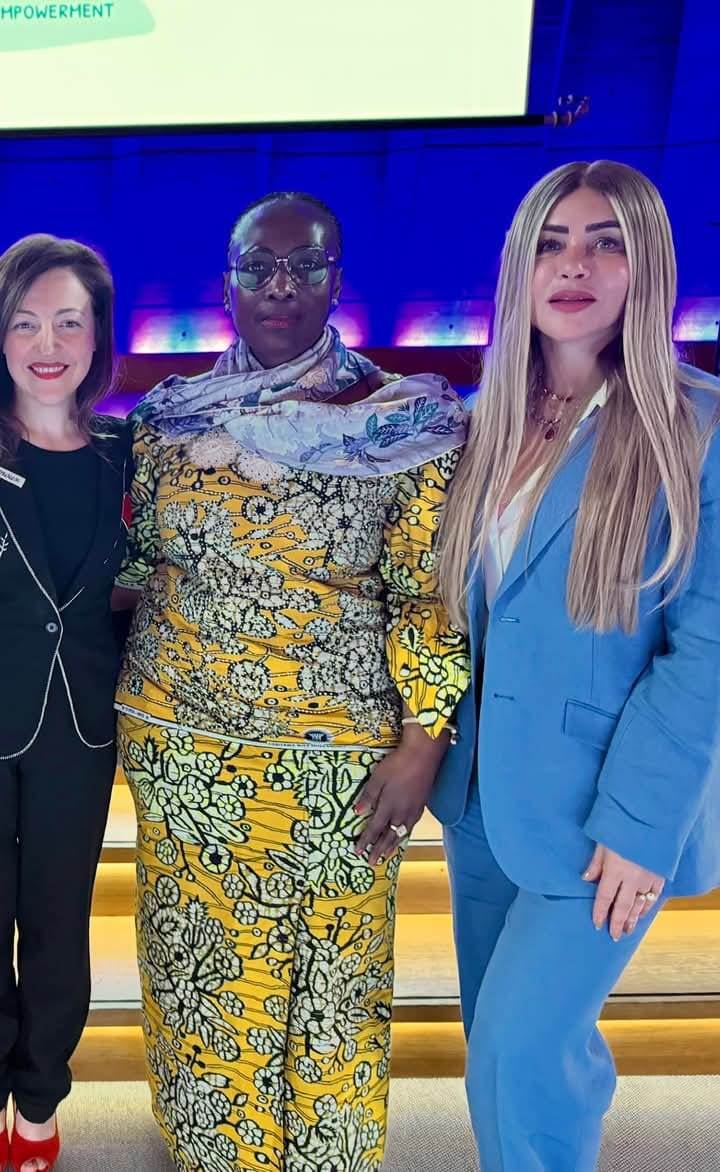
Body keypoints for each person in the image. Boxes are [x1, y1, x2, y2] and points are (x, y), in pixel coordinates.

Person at [113, 191, 468, 1172]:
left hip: (341, 762)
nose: (280, 285)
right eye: (257, 267)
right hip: (183, 750)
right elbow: (133, 567)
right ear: (225, 284)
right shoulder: (166, 422)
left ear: (335, 281)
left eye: (304, 265)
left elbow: (428, 595)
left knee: (334, 980)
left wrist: (423, 743)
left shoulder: (403, 422)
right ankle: (211, 1152)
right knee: (199, 966)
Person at [433, 158, 720, 1172]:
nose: (575, 265)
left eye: (606, 243)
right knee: (507, 1049)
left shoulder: (699, 427)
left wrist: (642, 825)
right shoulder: (484, 420)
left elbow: (706, 650)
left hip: (603, 819)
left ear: (648, 267)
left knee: (522, 1052)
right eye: (551, 243)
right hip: (482, 799)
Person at [0, 235, 131, 1172]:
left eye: (69, 322)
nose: (48, 344)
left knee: (57, 925)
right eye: (25, 322)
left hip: (78, 732)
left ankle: (39, 1103)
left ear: (96, 336)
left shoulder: (127, 457)